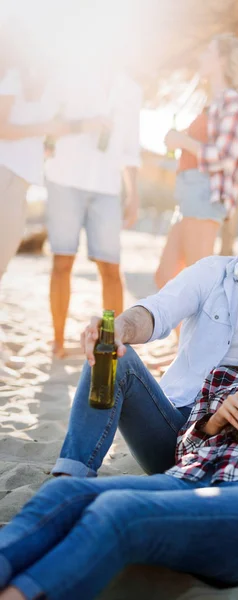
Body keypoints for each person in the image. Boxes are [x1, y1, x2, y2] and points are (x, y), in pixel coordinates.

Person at [0, 276, 238, 600]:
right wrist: (212, 422)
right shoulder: (225, 377)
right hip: (186, 483)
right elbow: (183, 452)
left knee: (118, 512)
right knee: (60, 496)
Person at [0, 22, 105, 377]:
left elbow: (50, 126)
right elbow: (3, 126)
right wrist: (44, 131)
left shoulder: (40, 84)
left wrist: (65, 130)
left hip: (19, 178)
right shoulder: (14, 74)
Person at [44, 54, 142, 358]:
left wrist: (133, 195)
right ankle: (58, 342)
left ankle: (112, 341)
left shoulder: (131, 90)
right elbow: (48, 125)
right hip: (64, 180)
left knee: (110, 266)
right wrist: (85, 124)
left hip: (107, 188)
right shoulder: (70, 76)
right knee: (63, 262)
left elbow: (130, 149)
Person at [155, 33, 238, 289]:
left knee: (194, 283)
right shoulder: (211, 103)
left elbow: (223, 157)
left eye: (208, 52)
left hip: (205, 193)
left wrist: (181, 140)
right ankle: (188, 331)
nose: (201, 57)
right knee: (167, 276)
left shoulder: (232, 101)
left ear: (222, 61)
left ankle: (200, 331)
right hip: (190, 193)